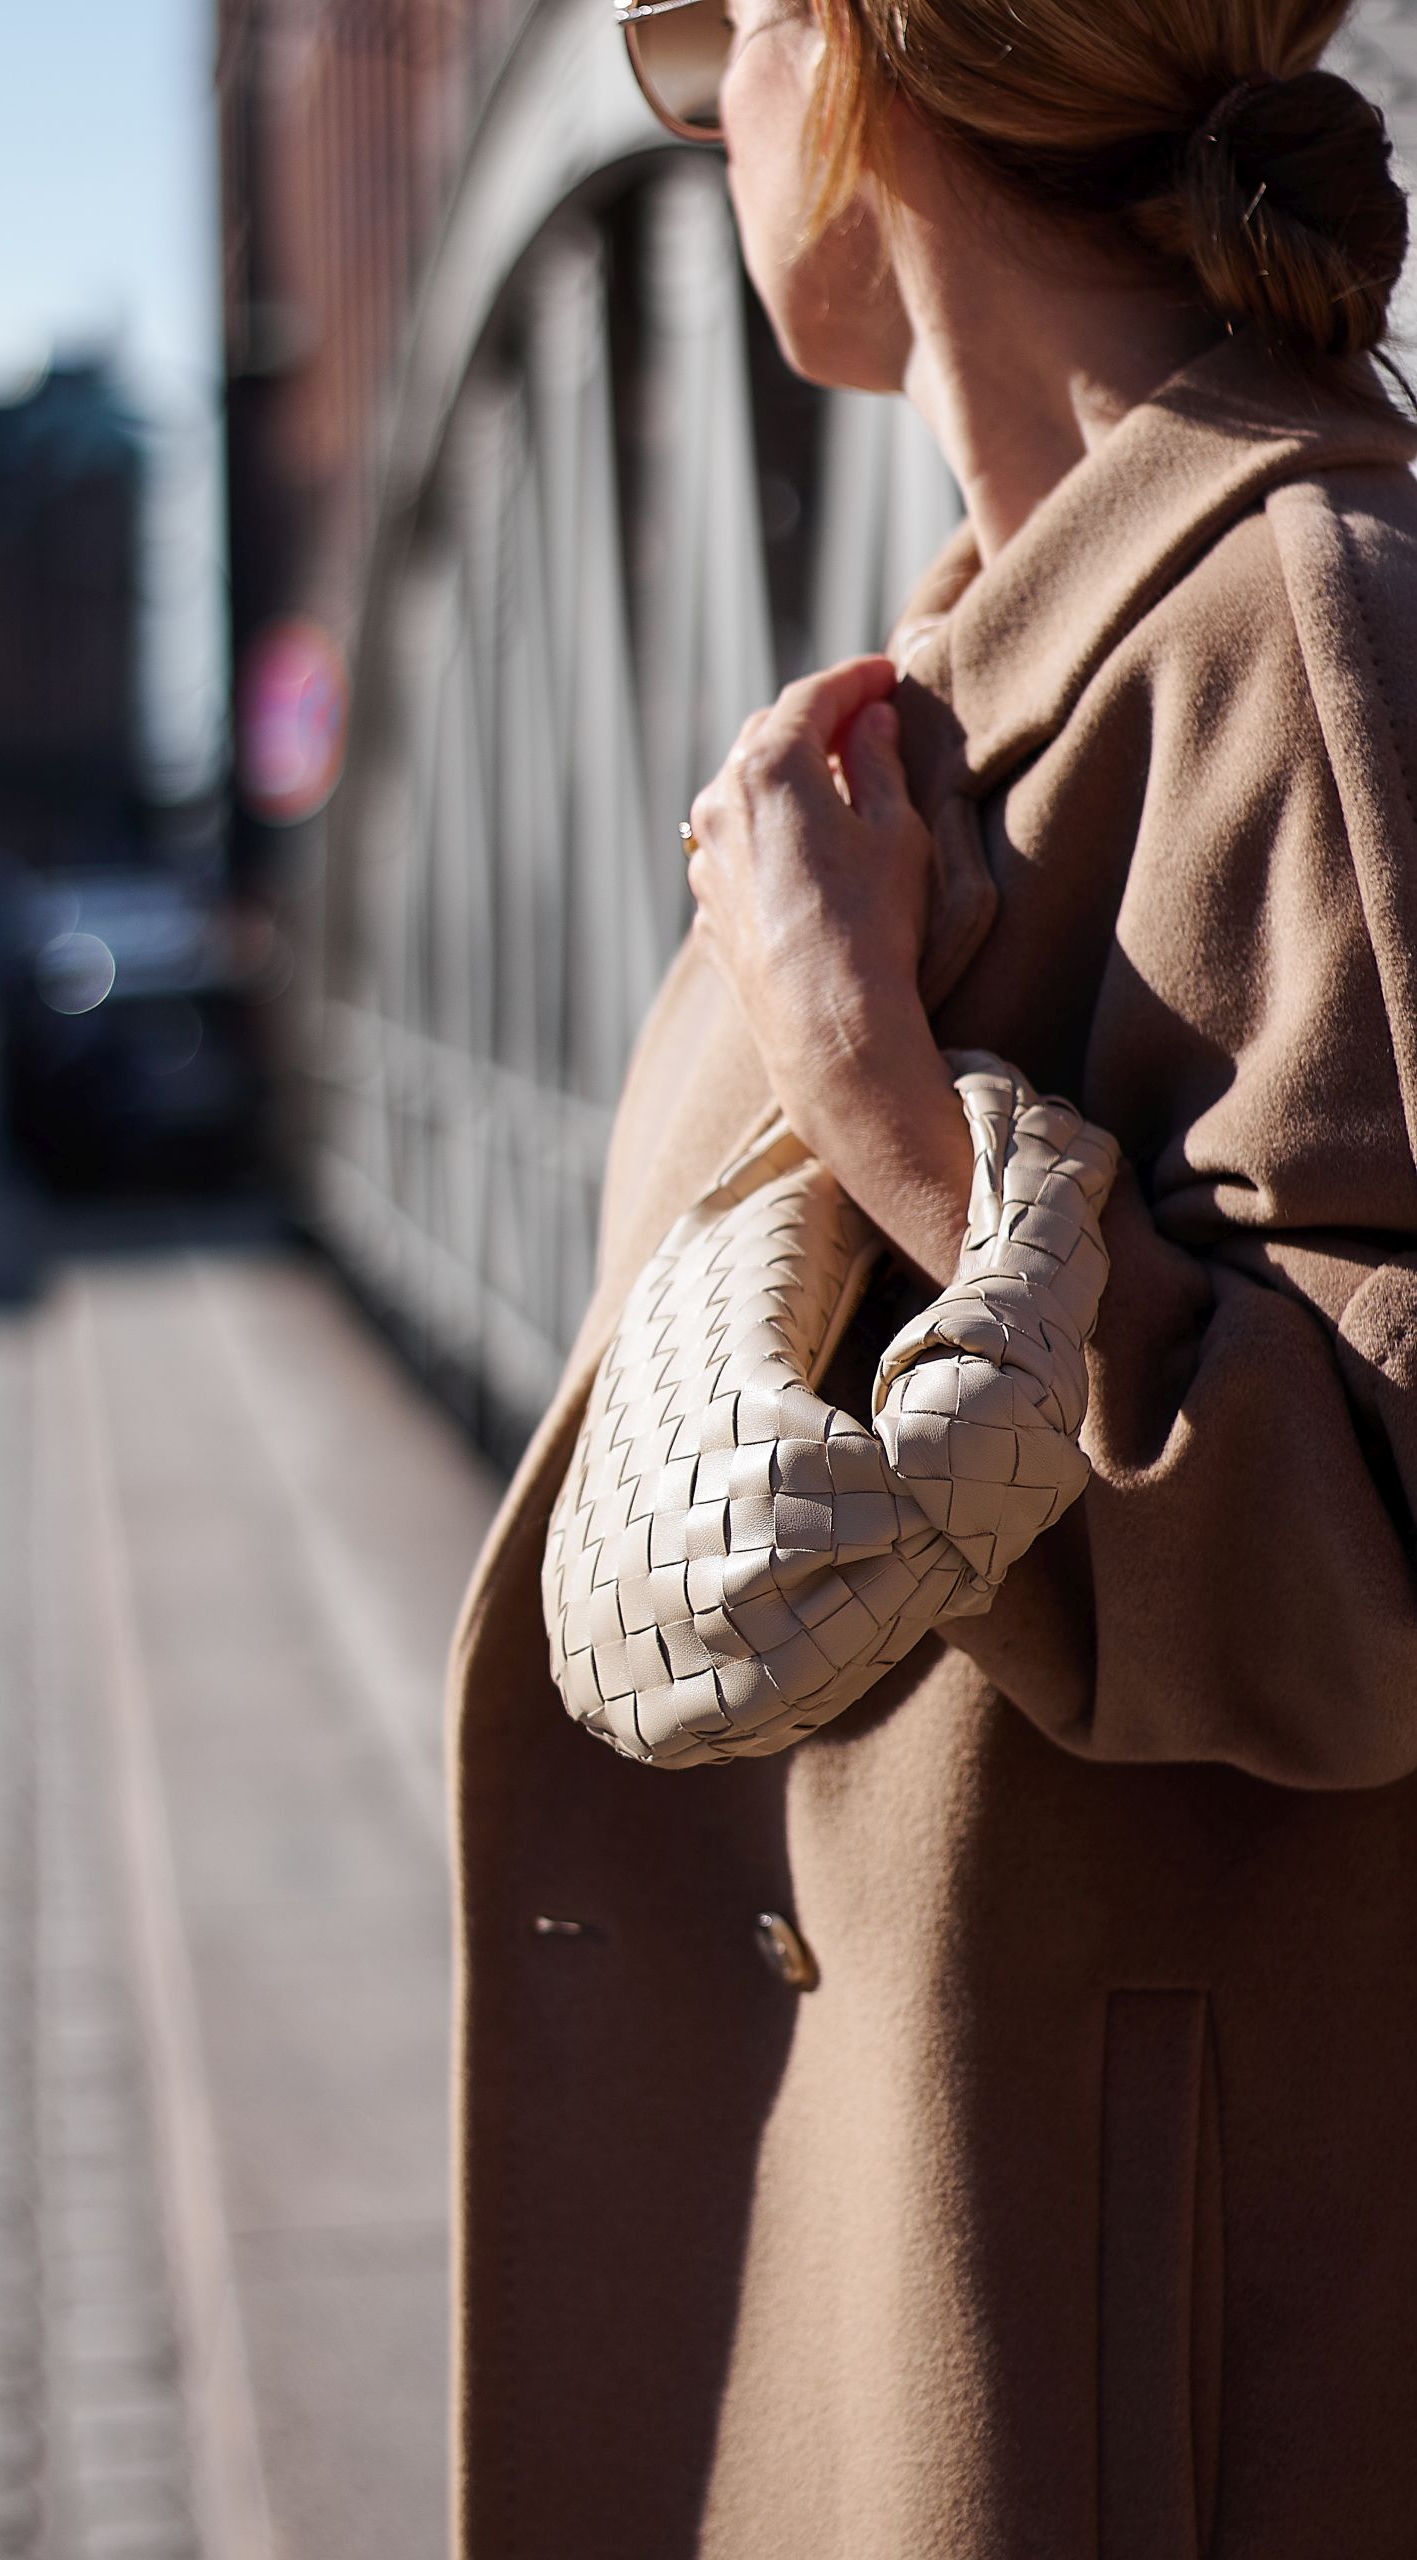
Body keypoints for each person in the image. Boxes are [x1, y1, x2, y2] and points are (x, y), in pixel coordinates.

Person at [448, 3, 1417, 2553]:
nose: (701, 117)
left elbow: (1384, 1581)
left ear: (854, 65)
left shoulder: (1300, 627)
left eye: (719, 39)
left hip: (1114, 2371)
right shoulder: (970, 656)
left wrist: (877, 1085)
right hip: (947, 2221)